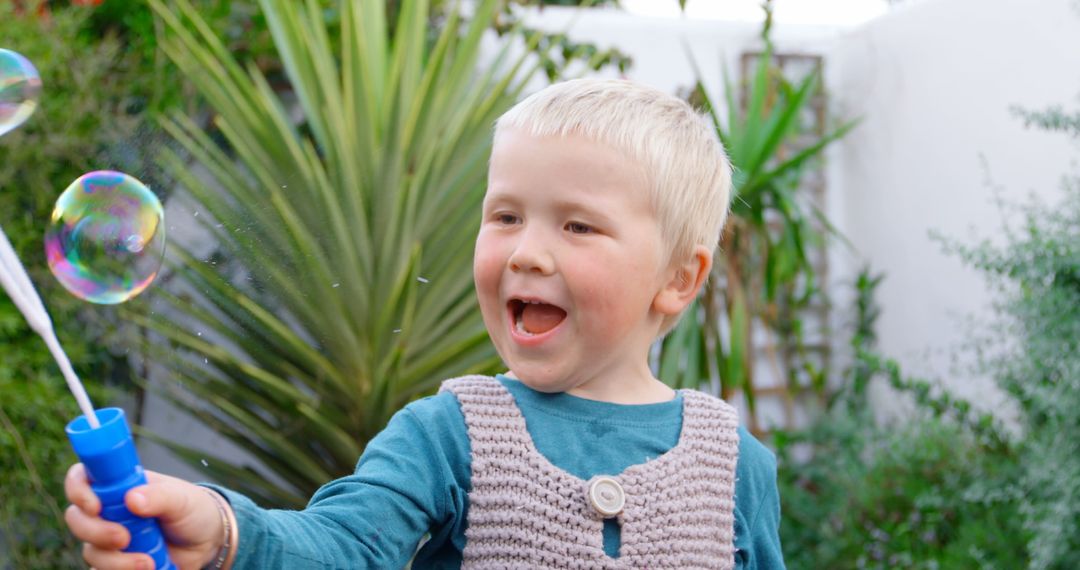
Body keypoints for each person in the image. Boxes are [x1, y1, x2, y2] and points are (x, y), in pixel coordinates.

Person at [64, 78, 785, 569]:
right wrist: (224, 532)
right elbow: (340, 547)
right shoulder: (450, 433)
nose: (527, 251)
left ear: (679, 279)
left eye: (577, 225)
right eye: (505, 216)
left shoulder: (734, 465)